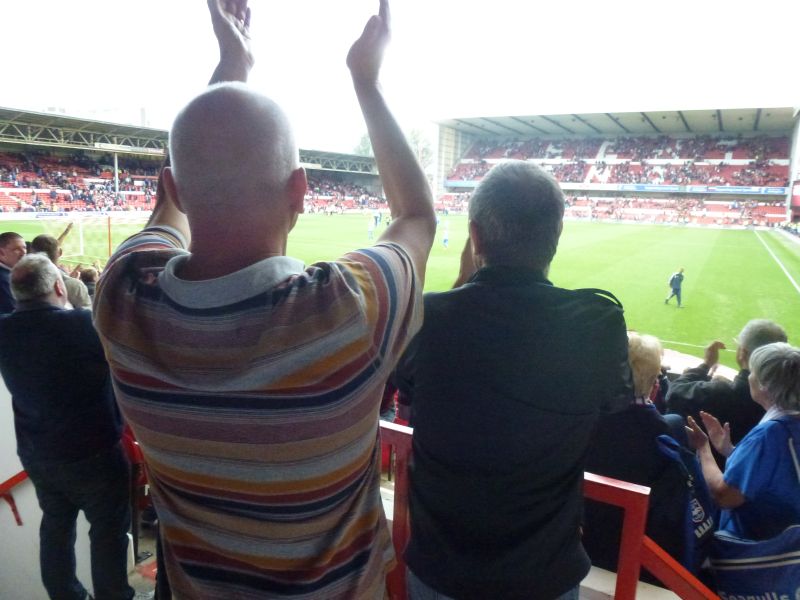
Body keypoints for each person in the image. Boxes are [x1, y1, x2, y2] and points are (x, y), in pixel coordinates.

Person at [93, 1, 435, 598]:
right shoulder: (347, 309)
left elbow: (167, 207)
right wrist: (366, 81)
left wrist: (231, 64)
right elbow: (416, 216)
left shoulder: (121, 298)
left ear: (173, 183)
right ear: (301, 191)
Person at [394, 160, 633, 600]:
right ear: (556, 236)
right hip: (546, 574)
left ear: (476, 236)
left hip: (440, 571)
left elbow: (412, 388)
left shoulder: (428, 319)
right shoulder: (597, 323)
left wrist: (463, 284)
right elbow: (610, 407)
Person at [0, 254, 133, 600]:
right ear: (60, 286)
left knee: (56, 528)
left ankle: (66, 595)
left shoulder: (5, 331)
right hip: (95, 454)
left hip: (38, 455)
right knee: (108, 535)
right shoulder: (86, 325)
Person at [583, 332, 696, 577]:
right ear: (655, 387)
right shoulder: (666, 432)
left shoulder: (581, 425)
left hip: (584, 548)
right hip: (631, 559)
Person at [686, 342, 800, 540]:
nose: (749, 376)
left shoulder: (769, 433)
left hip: (758, 549)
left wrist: (703, 448)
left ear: (765, 385)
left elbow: (724, 495)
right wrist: (731, 451)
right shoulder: (788, 423)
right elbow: (776, 471)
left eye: (752, 371)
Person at [667, 319, 788, 456]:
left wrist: (705, 364)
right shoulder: (788, 397)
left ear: (743, 353)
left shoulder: (723, 393)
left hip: (717, 469)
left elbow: (674, 393)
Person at [30, 234, 92, 309]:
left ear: (31, 253)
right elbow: (89, 316)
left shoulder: (21, 283)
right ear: (60, 253)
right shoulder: (75, 286)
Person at [0, 231, 27, 313]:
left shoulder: (10, 273)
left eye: (24, 248)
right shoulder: (4, 280)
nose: (23, 252)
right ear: (1, 252)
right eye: (17, 249)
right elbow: (15, 312)